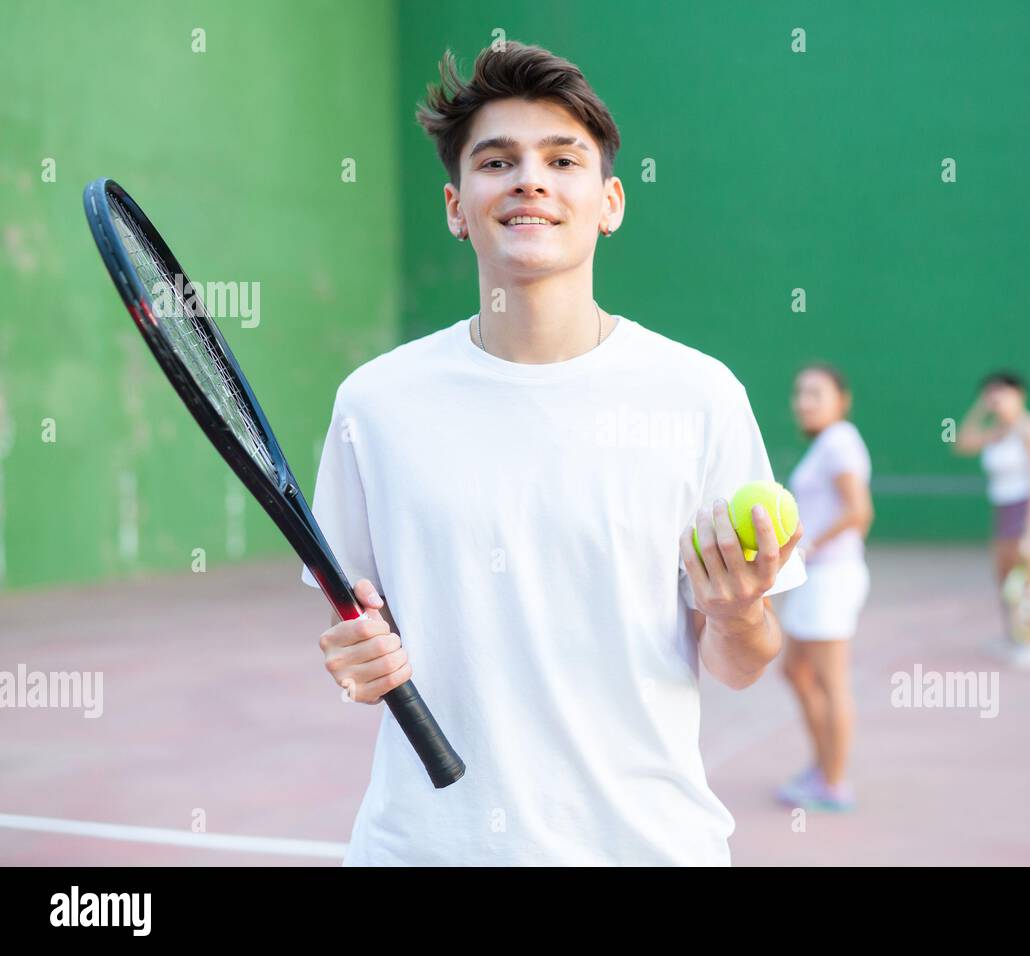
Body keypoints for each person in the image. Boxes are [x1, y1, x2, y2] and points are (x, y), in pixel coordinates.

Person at [301, 42, 806, 865]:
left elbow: (743, 665)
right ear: (456, 207)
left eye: (562, 160)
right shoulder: (375, 404)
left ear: (609, 202)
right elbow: (357, 623)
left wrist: (737, 612)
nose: (529, 180)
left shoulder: (700, 395)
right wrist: (355, 655)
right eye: (497, 161)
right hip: (427, 850)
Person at [775, 364, 873, 812]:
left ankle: (833, 784)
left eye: (816, 393)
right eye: (799, 392)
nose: (804, 401)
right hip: (817, 577)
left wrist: (808, 544)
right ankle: (823, 767)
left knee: (831, 681)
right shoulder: (827, 444)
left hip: (832, 577)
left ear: (842, 400)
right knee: (796, 670)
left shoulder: (839, 442)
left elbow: (859, 512)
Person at [953, 371, 1030, 670]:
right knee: (1005, 578)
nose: (996, 399)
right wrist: (980, 408)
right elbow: (961, 443)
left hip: (1026, 510)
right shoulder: (996, 432)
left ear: (1019, 395)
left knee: (1029, 578)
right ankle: (1013, 637)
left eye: (1002, 393)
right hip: (1002, 510)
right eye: (990, 394)